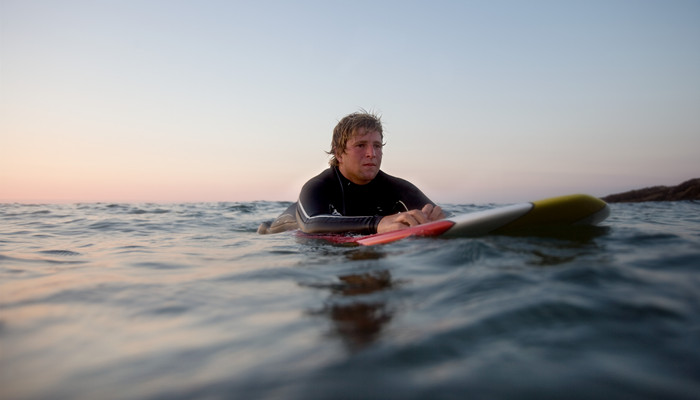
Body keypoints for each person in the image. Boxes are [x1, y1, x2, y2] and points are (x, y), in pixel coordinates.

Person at [258, 111, 444, 234]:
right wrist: (377, 224)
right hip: (281, 229)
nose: (372, 153)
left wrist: (434, 217)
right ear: (339, 154)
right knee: (265, 230)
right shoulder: (318, 187)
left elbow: (448, 219)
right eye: (361, 145)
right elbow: (311, 224)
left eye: (377, 146)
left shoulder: (398, 188)